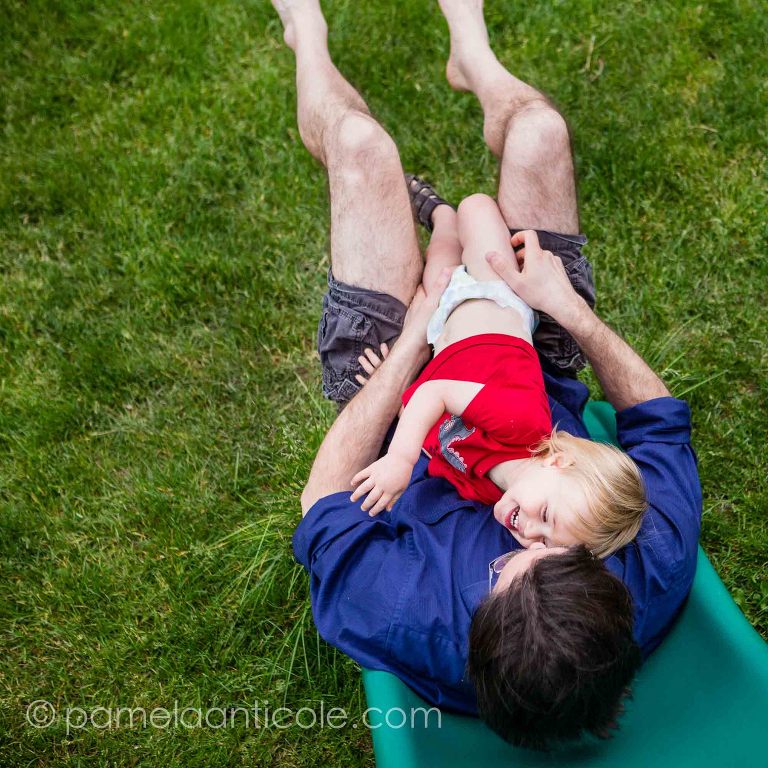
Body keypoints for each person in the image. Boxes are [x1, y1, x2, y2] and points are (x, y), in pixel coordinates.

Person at [272, 0, 702, 750]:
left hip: (394, 387)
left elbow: (321, 500)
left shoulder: (411, 615)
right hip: (528, 344)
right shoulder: (649, 556)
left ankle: (307, 35)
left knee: (362, 146)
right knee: (542, 132)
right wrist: (569, 311)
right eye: (542, 549)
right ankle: (474, 59)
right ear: (602, 574)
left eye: (497, 570)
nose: (509, 538)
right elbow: (658, 417)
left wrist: (413, 340)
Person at [350, 193, 647, 558]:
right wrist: (399, 459)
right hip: (491, 296)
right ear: (557, 462)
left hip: (442, 334)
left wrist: (389, 389)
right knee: (476, 210)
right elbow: (437, 394)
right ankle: (458, 210)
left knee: (440, 260)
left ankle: (440, 216)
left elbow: (437, 435)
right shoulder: (520, 423)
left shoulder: (488, 491)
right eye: (547, 517)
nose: (530, 531)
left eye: (543, 544)